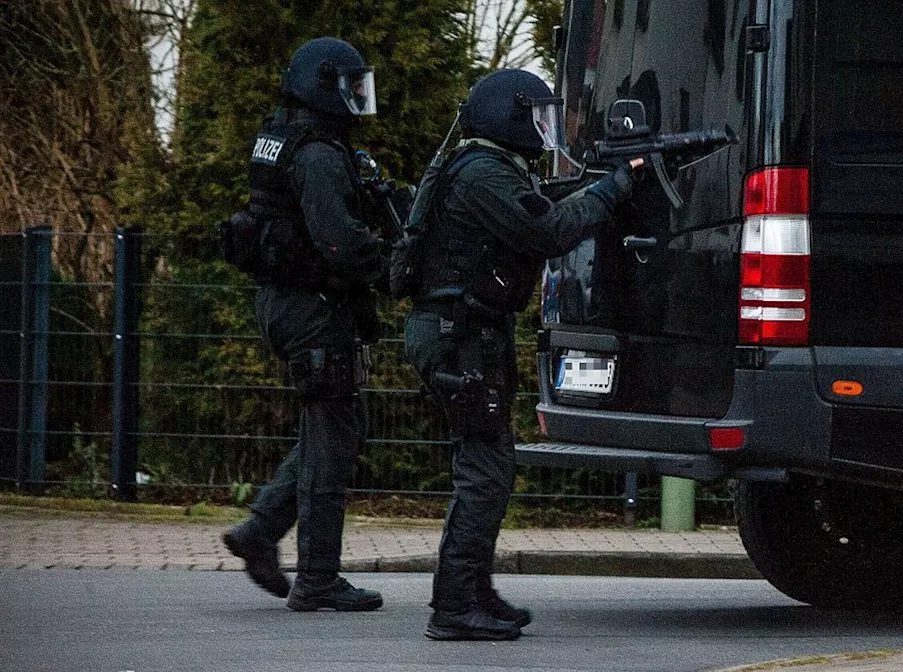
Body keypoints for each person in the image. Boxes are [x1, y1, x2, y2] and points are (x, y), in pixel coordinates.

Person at [403, 68, 642, 641]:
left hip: (467, 332)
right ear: (507, 117)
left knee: (490, 466)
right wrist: (611, 190)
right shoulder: (483, 174)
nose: (544, 129)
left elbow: (537, 206)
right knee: (483, 472)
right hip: (461, 335)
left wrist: (593, 183)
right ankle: (454, 606)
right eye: (537, 117)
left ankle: (473, 592)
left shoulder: (484, 168)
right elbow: (550, 231)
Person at [221, 36, 386, 612]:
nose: (359, 99)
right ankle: (317, 578)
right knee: (333, 436)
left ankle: (260, 530)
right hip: (312, 307)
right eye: (351, 86)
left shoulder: (285, 134)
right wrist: (394, 262)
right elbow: (338, 244)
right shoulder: (316, 153)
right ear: (324, 86)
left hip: (288, 301)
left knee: (332, 429)